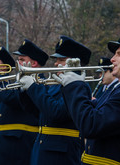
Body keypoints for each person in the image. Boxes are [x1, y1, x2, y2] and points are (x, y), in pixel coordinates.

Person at [53, 27, 120, 164]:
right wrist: (71, 86)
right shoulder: (119, 90)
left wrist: (75, 86)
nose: (112, 59)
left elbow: (90, 125)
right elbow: (90, 112)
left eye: (119, 54)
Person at [18, 35, 91, 165]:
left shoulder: (80, 87)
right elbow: (37, 111)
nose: (56, 64)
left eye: (61, 60)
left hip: (61, 154)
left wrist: (33, 87)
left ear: (75, 62)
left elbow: (57, 112)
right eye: (56, 60)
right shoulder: (56, 85)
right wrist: (25, 90)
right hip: (43, 149)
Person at [0, 39, 48, 165]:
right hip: (6, 138)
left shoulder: (37, 81)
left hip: (18, 141)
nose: (18, 62)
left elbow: (11, 98)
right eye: (18, 59)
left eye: (22, 59)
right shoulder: (20, 79)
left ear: (34, 63)